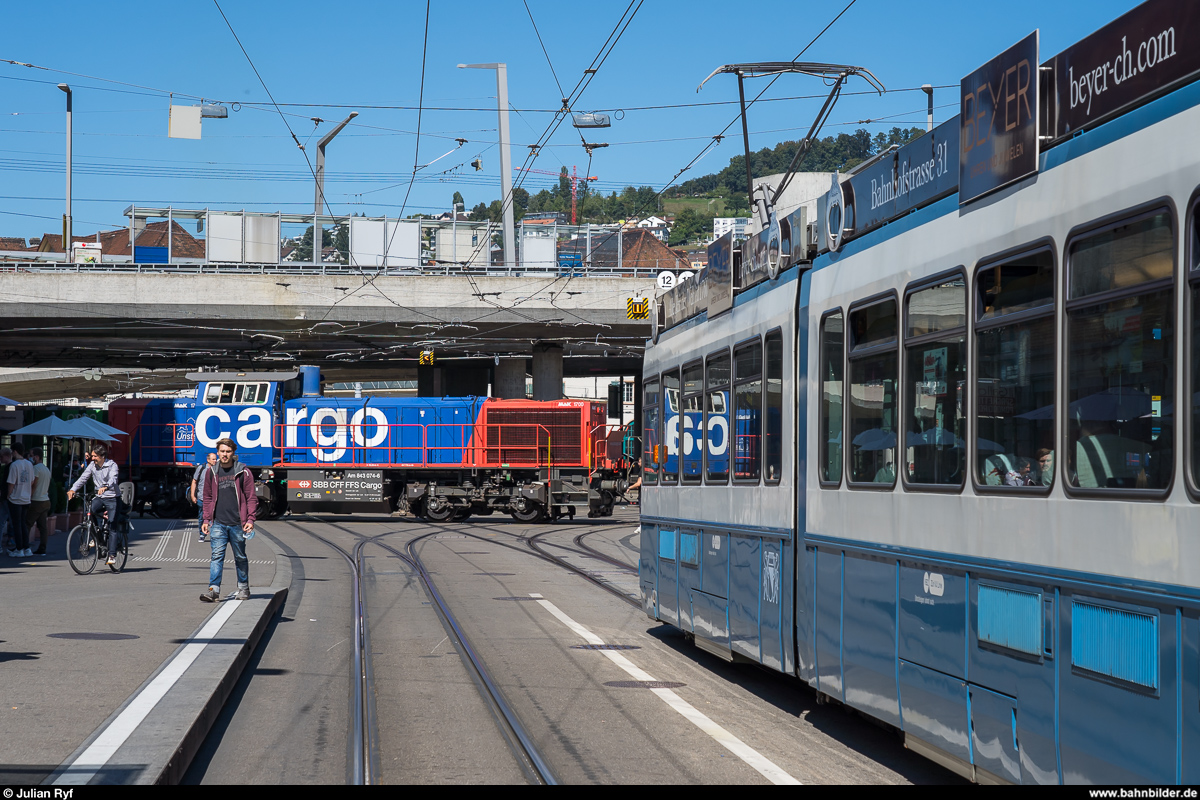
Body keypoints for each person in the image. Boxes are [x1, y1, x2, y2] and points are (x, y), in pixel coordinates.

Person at [199, 438, 256, 603]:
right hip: (218, 523)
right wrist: (206, 519)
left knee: (240, 557)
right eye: (222, 451)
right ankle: (213, 590)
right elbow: (208, 497)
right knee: (216, 556)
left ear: (233, 453)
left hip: (238, 523)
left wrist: (250, 520)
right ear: (217, 452)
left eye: (228, 451)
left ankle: (243, 587)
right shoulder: (211, 472)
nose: (225, 455)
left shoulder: (243, 472)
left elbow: (251, 498)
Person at [67, 443, 121, 567]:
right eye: (92, 456)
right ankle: (96, 535)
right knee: (90, 511)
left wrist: (106, 486)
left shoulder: (112, 465)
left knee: (112, 524)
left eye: (95, 456)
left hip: (112, 497)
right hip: (100, 497)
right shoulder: (92, 465)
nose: (92, 458)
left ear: (102, 456)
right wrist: (73, 489)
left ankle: (112, 554)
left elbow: (113, 479)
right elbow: (83, 478)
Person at [6, 443, 33, 557]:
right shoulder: (29, 464)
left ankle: (19, 548)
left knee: (16, 524)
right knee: (23, 524)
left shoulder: (14, 465)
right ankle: (26, 547)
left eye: (12, 451)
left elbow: (11, 483)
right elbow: (31, 481)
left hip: (16, 498)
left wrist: (8, 495)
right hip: (26, 498)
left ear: (15, 451)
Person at [28, 448, 52, 556]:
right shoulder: (47, 469)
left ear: (37, 457)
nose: (31, 457)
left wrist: (29, 496)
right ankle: (42, 548)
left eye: (32, 455)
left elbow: (34, 484)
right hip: (45, 499)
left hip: (36, 500)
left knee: (27, 524)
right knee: (43, 527)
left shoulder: (36, 468)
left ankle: (24, 546)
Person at [190, 452, 217, 543]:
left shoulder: (218, 470)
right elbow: (194, 481)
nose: (215, 461)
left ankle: (214, 534)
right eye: (213, 459)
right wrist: (192, 495)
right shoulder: (201, 469)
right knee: (202, 516)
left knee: (215, 517)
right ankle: (202, 534)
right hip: (202, 497)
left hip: (214, 498)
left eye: (215, 459)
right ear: (208, 460)